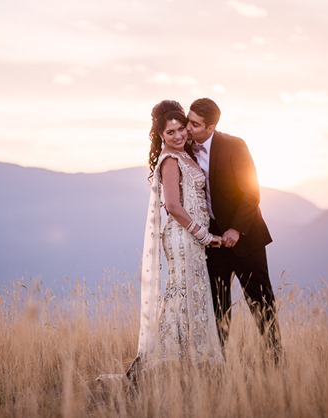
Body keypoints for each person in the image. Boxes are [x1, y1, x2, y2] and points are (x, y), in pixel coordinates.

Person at [97, 100, 224, 385]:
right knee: (180, 295)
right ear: (161, 136)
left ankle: (185, 362)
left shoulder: (185, 154)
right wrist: (205, 236)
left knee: (188, 295)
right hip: (183, 238)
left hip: (192, 239)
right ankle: (154, 366)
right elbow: (173, 206)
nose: (178, 135)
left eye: (181, 129)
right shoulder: (170, 160)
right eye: (170, 132)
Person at [187, 98, 282, 361]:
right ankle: (221, 363)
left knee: (261, 303)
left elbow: (251, 193)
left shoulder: (234, 146)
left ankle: (275, 360)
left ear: (211, 127)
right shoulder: (184, 147)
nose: (189, 127)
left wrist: (236, 230)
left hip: (246, 239)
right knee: (217, 306)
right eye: (189, 120)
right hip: (211, 243)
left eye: (195, 124)